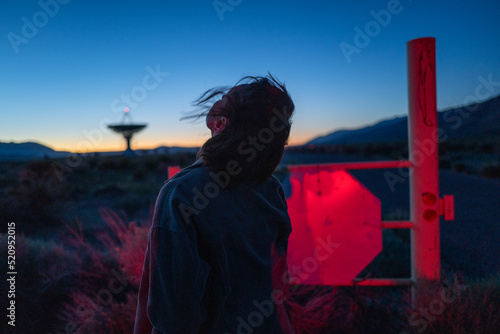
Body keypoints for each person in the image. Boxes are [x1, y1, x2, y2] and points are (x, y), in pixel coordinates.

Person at [133, 74, 295, 333]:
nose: (220, 97)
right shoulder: (271, 189)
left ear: (219, 123)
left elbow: (172, 316)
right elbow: (276, 290)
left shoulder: (181, 193)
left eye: (224, 99)